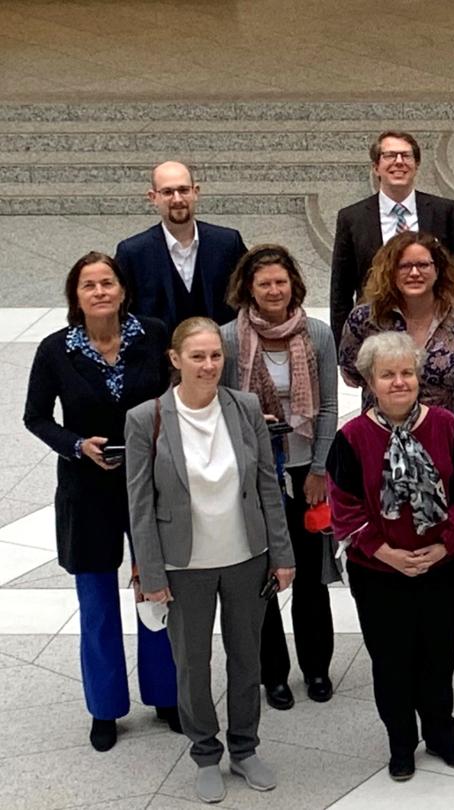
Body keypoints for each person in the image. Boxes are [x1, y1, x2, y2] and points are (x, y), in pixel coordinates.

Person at [126, 317, 296, 804]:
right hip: (184, 565)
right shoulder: (147, 418)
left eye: (215, 355)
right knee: (192, 666)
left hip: (245, 556)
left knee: (247, 660)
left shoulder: (243, 408)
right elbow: (139, 504)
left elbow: (268, 483)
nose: (208, 365)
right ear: (175, 359)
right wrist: (151, 574)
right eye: (197, 356)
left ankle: (244, 748)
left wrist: (282, 555)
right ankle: (205, 751)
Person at [23, 252, 179, 752]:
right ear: (76, 296)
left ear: (122, 289)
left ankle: (166, 695)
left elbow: (176, 395)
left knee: (155, 589)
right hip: (86, 489)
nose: (99, 292)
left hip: (149, 482)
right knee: (96, 603)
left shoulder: (153, 335)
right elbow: (36, 417)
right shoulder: (54, 350)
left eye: (107, 282)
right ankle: (106, 707)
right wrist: (76, 445)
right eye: (88, 285)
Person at [329, 331, 454, 781]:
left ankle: (440, 735)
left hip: (441, 564)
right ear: (370, 383)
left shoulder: (446, 426)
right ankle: (401, 743)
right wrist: (386, 553)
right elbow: (344, 508)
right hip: (379, 571)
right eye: (388, 375)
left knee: (437, 656)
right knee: (391, 661)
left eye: (407, 373)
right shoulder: (352, 437)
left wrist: (445, 544)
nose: (400, 382)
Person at [339, 231, 454, 667]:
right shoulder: (364, 319)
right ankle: (402, 611)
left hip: (453, 439)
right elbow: (353, 372)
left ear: (439, 269)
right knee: (395, 523)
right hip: (384, 444)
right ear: (389, 270)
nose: (414, 272)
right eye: (404, 265)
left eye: (423, 264)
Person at [218, 245, 339, 709]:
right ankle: (275, 674)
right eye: (264, 283)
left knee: (311, 575)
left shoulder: (317, 335)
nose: (273, 290)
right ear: (248, 287)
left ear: (294, 285)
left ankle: (317, 668)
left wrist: (319, 469)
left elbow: (328, 406)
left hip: (306, 470)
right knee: (263, 577)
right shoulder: (229, 339)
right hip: (254, 475)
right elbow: (224, 408)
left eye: (281, 282)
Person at [329, 130, 454, 339]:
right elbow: (341, 291)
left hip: (438, 330)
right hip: (376, 330)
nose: (398, 162)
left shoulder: (443, 211)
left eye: (406, 156)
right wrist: (341, 345)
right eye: (390, 156)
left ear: (416, 165)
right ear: (376, 167)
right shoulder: (351, 218)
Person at [114, 161, 247, 332]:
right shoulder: (132, 253)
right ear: (153, 197)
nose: (177, 199)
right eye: (168, 192)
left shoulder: (228, 243)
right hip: (159, 357)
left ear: (195, 192)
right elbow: (120, 312)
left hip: (220, 354)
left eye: (184, 190)